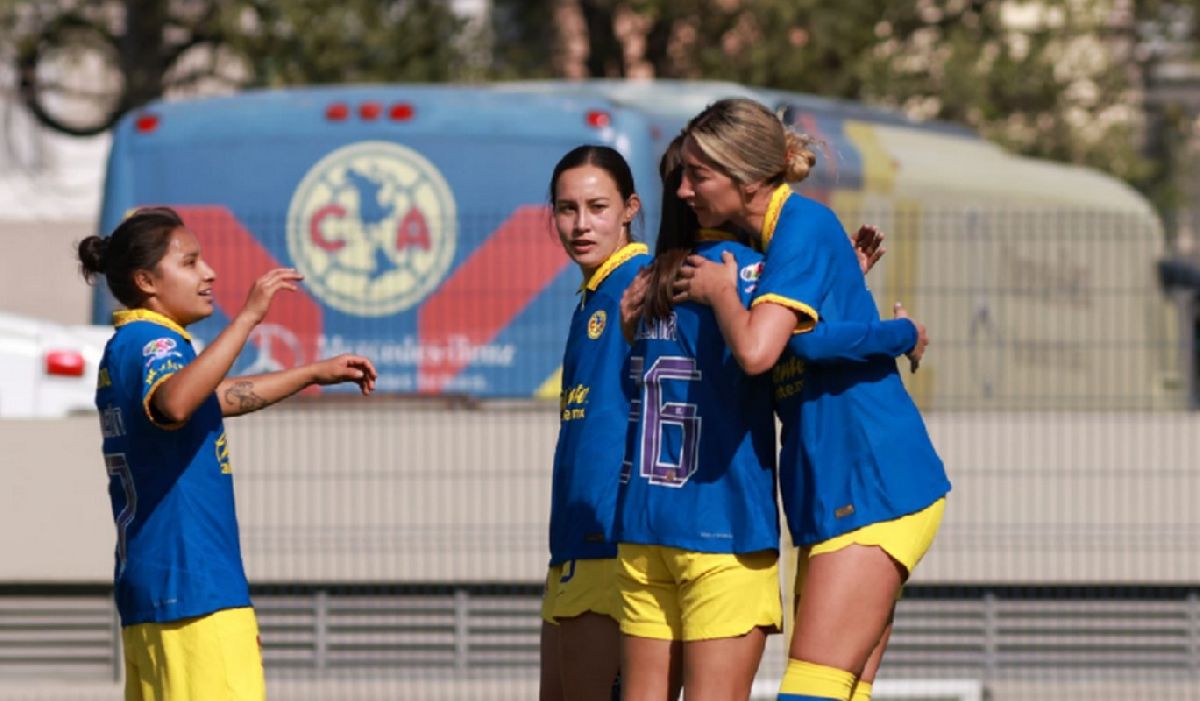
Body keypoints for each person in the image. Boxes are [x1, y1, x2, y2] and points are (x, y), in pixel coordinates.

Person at [615, 139, 921, 701]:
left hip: (645, 525)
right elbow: (784, 343)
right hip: (722, 527)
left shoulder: (644, 285)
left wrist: (835, 276)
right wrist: (903, 332)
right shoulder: (744, 275)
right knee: (834, 688)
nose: (688, 190)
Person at [77, 206, 376, 701]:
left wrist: (308, 373)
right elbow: (177, 403)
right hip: (196, 593)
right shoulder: (156, 342)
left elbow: (204, 400)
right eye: (191, 262)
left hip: (154, 591)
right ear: (147, 281)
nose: (209, 273)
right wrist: (251, 317)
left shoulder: (126, 344)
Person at [540, 145, 651, 701]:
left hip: (612, 546)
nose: (581, 224)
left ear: (630, 208)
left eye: (597, 206)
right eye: (566, 209)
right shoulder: (593, 295)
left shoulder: (640, 284)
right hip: (571, 546)